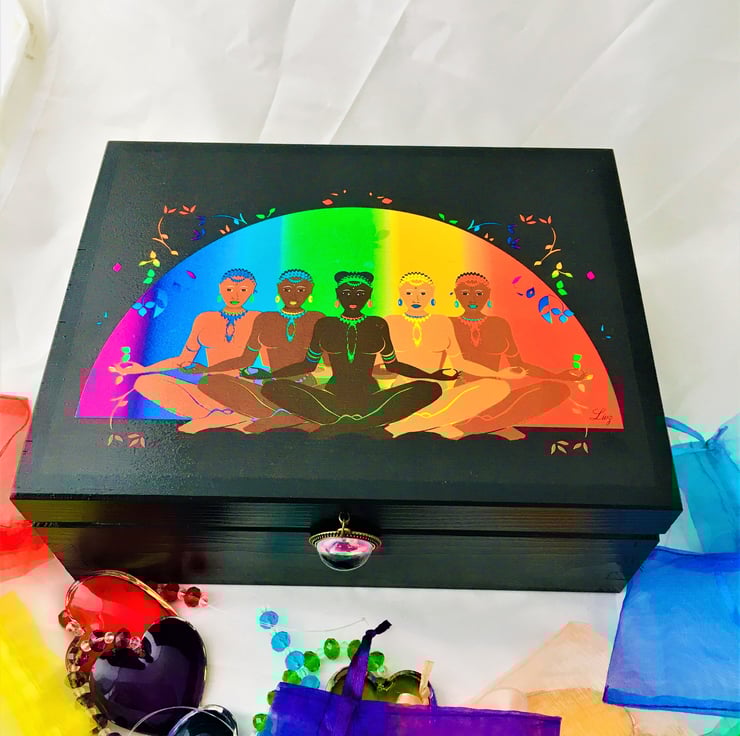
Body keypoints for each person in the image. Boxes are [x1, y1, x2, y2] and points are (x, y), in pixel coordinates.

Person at [242, 271, 459, 439]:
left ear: (369, 297)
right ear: (338, 296)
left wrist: (433, 375)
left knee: (430, 388)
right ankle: (366, 423)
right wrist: (269, 375)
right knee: (273, 388)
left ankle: (342, 423)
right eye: (346, 293)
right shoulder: (326, 324)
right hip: (333, 397)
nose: (353, 298)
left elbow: (393, 366)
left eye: (360, 293)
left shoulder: (377, 324)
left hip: (370, 397)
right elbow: (308, 365)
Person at [383, 272, 527, 439]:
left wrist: (498, 374)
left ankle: (416, 424)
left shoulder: (442, 322)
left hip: (437, 393)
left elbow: (460, 363)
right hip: (403, 392)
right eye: (409, 293)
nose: (416, 298)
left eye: (422, 293)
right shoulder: (389, 322)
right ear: (400, 296)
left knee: (498, 387)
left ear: (432, 297)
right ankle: (431, 423)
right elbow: (379, 367)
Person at [115, 268, 259, 433]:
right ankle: (219, 418)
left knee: (269, 398)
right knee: (145, 382)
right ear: (220, 289)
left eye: (243, 290)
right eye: (229, 289)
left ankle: (222, 418)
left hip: (244, 388)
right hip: (210, 388)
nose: (235, 295)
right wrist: (143, 369)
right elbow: (183, 360)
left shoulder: (259, 319)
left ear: (252, 292)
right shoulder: (205, 319)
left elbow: (271, 363)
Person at [183, 269, 326, 434]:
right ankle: (291, 417)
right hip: (273, 387)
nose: (293, 295)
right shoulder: (265, 319)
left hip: (305, 386)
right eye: (287, 289)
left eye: (301, 290)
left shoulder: (318, 319)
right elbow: (245, 360)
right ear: (279, 291)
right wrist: (207, 369)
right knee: (210, 382)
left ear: (310, 293)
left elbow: (329, 364)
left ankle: (281, 418)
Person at [450, 272, 583, 439]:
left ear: (488, 295)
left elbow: (519, 365)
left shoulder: (499, 324)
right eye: (465, 293)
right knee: (463, 409)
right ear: (456, 295)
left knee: (557, 389)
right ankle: (485, 423)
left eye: (479, 293)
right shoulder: (447, 324)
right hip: (462, 395)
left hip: (495, 393)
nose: (472, 299)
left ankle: (484, 424)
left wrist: (558, 376)